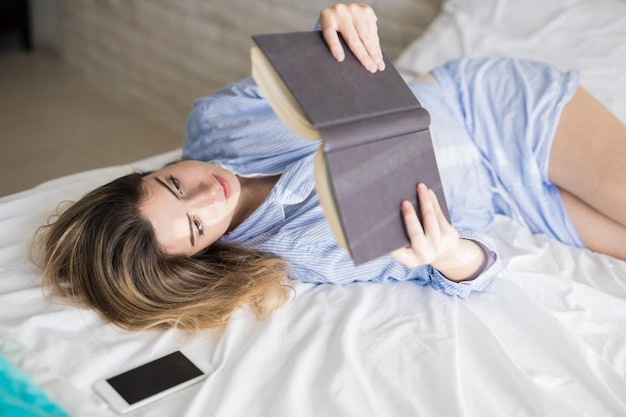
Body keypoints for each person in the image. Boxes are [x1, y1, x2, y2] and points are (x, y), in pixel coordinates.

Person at [38, 3, 626, 332]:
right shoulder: (301, 253)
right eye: (194, 226)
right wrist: (449, 256)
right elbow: (467, 272)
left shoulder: (217, 120)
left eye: (173, 183)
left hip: (491, 110)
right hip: (507, 201)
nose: (207, 195)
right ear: (198, 257)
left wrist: (341, 31)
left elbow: (341, 71)